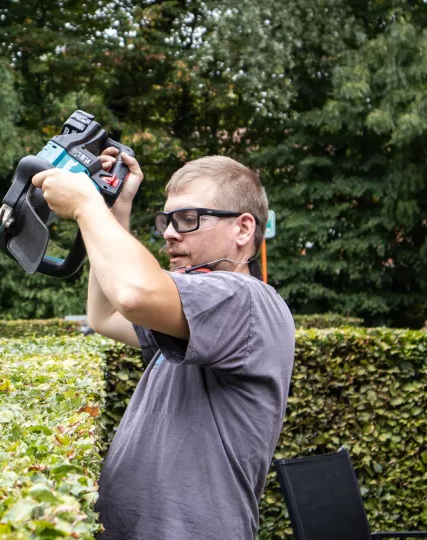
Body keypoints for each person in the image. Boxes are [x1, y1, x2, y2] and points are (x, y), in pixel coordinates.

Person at [31, 149, 295, 540]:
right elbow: (106, 316)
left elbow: (134, 294)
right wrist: (117, 207)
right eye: (168, 220)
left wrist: (88, 205)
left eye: (190, 219)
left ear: (243, 229)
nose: (170, 232)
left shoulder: (242, 299)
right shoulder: (196, 310)